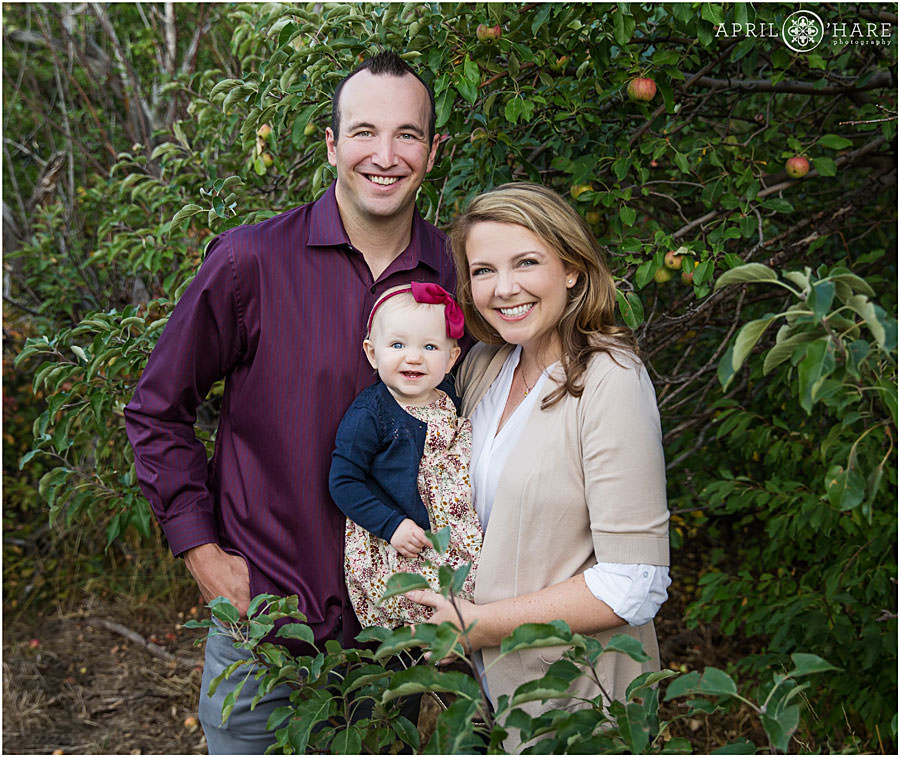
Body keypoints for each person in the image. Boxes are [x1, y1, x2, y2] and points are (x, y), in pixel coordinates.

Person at [124, 50, 454, 753]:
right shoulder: (250, 262)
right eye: (363, 132)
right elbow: (157, 408)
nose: (385, 156)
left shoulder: (456, 273)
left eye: (407, 134)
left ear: (433, 151)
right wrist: (201, 552)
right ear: (332, 145)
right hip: (264, 633)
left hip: (393, 644)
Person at [409, 183, 671, 752]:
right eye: (483, 271)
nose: (504, 288)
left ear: (572, 269)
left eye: (526, 262)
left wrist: (476, 624)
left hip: (578, 699)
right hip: (489, 694)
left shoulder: (610, 379)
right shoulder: (485, 364)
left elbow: (634, 583)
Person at [329, 282, 481, 629]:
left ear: (451, 358)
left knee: (467, 597)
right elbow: (343, 481)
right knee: (418, 602)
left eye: (430, 346)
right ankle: (420, 638)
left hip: (450, 531)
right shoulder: (371, 413)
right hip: (399, 538)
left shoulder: (447, 396)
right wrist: (391, 525)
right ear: (372, 353)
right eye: (398, 345)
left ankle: (458, 635)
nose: (413, 357)